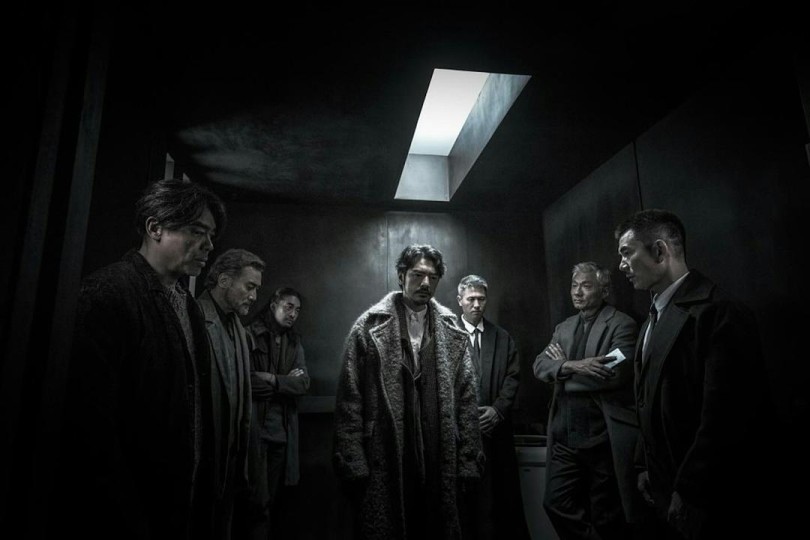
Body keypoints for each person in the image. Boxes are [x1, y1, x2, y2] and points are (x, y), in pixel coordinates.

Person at [58, 178, 226, 539]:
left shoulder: (188, 305)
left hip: (179, 502)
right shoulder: (107, 294)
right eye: (197, 231)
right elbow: (89, 430)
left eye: (211, 235)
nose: (209, 245)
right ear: (155, 228)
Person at [615, 209, 768, 539]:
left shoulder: (719, 312)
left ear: (659, 251)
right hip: (664, 489)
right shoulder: (651, 319)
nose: (621, 265)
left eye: (627, 253)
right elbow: (647, 402)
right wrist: (643, 465)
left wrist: (691, 489)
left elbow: (726, 418)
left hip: (708, 498)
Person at [332, 244, 484, 540]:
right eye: (417, 275)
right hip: (386, 451)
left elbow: (467, 398)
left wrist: (468, 458)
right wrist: (353, 459)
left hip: (438, 449)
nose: (426, 283)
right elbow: (350, 399)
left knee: (434, 523)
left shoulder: (451, 328)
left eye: (433, 277)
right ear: (401, 276)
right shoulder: (369, 326)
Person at [533, 262, 645, 540]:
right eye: (574, 285)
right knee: (555, 504)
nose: (577, 292)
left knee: (606, 516)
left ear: (604, 290)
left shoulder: (623, 324)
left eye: (586, 285)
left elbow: (613, 374)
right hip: (564, 437)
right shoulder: (564, 327)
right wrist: (577, 366)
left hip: (602, 438)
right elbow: (539, 366)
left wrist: (561, 371)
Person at [197, 248, 265, 539]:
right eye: (249, 287)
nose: (254, 296)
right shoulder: (194, 318)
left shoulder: (238, 327)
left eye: (256, 289)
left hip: (232, 462)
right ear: (224, 280)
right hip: (204, 462)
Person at [456, 275, 530, 540]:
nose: (476, 305)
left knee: (497, 502)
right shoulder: (446, 335)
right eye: (471, 299)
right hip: (459, 436)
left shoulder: (501, 337)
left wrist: (497, 410)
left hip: (495, 432)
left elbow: (513, 377)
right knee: (463, 503)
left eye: (481, 299)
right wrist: (464, 417)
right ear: (460, 300)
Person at [242, 286, 310, 540]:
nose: (293, 314)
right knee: (254, 502)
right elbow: (247, 382)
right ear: (273, 305)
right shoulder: (250, 334)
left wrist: (272, 378)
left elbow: (303, 384)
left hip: (281, 435)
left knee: (272, 502)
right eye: (288, 307)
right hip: (255, 433)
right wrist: (284, 383)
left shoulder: (293, 342)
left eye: (297, 310)